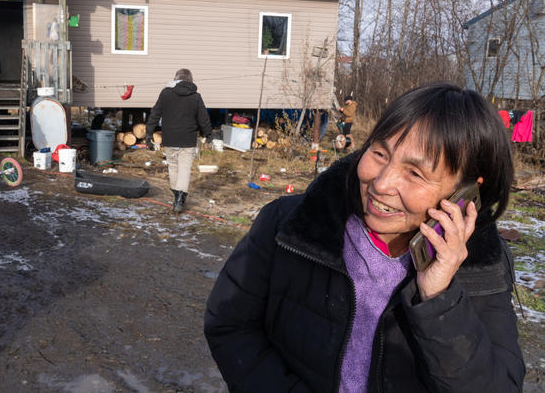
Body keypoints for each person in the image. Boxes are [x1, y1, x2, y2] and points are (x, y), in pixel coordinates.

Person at [204, 84, 524, 392]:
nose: (381, 183)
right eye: (380, 153)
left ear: (466, 190)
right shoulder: (289, 225)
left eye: (415, 173)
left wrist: (439, 297)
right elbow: (230, 326)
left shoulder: (480, 267)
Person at [146, 68, 212, 214]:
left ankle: (177, 197)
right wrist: (208, 133)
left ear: (175, 79)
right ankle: (179, 199)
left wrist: (149, 133)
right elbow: (203, 118)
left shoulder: (166, 93)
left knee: (173, 167)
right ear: (190, 80)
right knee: (184, 168)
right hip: (188, 139)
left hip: (170, 138)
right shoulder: (196, 97)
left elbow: (155, 114)